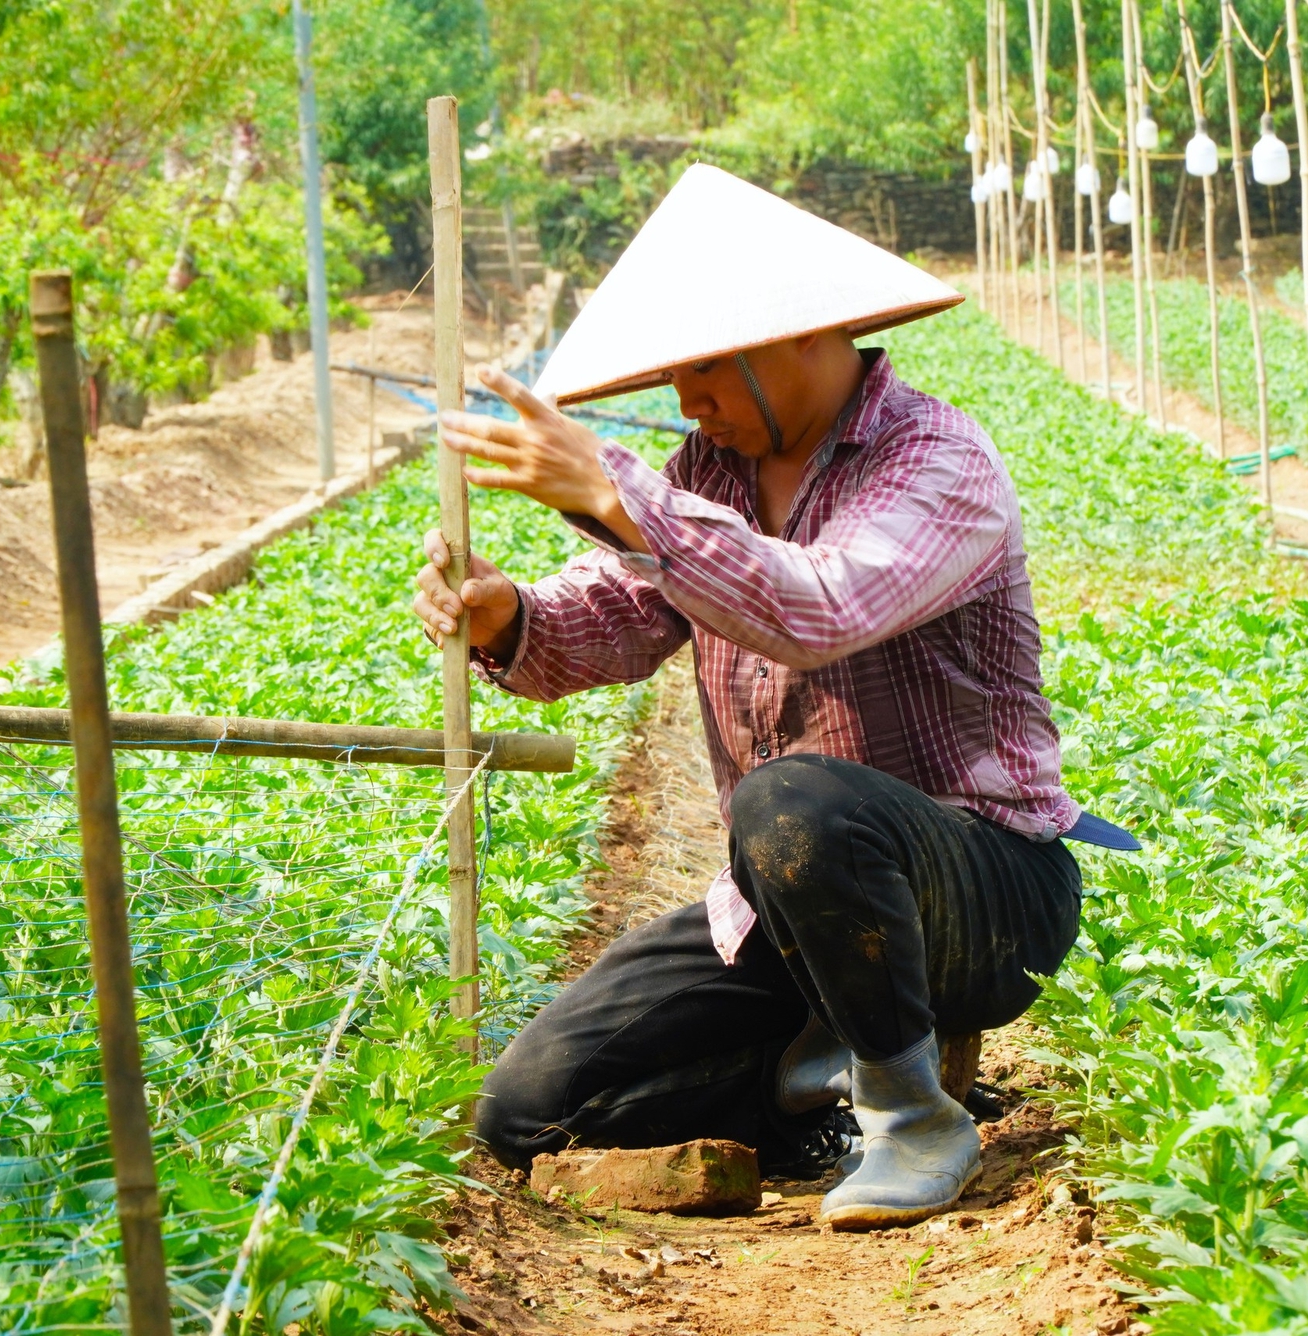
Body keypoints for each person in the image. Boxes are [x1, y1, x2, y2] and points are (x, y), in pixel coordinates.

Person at [411, 164, 1135, 1230]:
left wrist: (619, 490)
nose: (686, 404)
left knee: (793, 803)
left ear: (804, 335)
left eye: (704, 369)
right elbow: (617, 614)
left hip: (982, 889)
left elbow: (820, 605)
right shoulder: (709, 472)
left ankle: (911, 1118)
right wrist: (504, 617)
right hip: (795, 899)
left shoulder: (938, 461)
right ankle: (823, 1094)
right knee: (529, 1107)